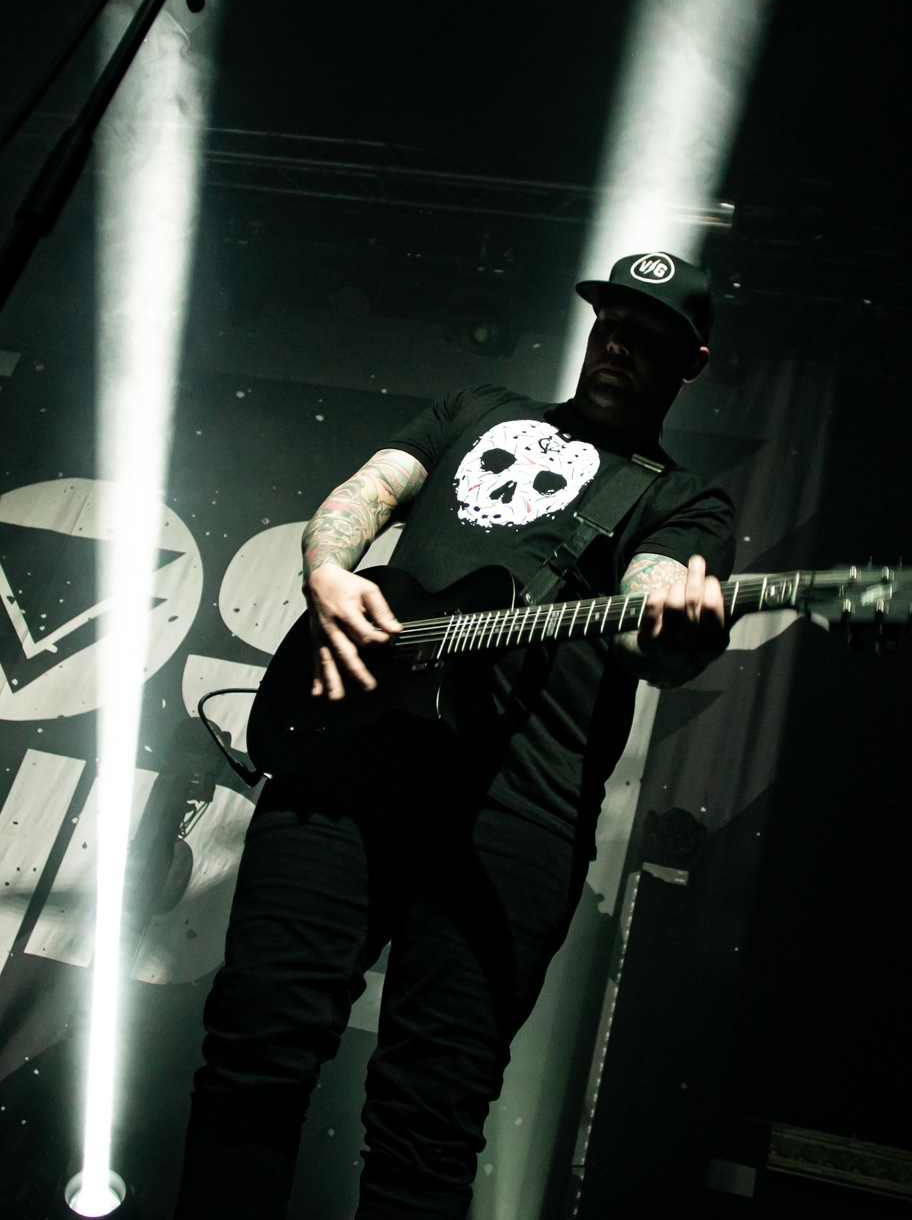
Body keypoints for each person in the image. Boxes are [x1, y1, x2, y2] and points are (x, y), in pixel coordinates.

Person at [172, 250, 736, 1220]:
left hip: (516, 817)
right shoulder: (479, 408)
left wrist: (670, 630)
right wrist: (328, 573)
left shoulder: (680, 499)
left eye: (646, 335)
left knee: (427, 1121)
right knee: (254, 1047)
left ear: (690, 362)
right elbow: (366, 493)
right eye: (609, 322)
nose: (617, 343)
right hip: (347, 761)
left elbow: (651, 609)